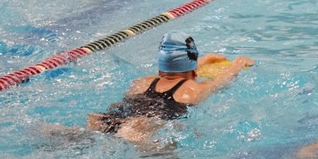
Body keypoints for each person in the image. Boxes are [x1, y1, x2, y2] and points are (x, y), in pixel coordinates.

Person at [82, 32, 254, 145]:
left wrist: (203, 60)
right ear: (194, 71)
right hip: (139, 131)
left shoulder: (142, 82)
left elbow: (173, 71)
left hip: (105, 121)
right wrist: (238, 65)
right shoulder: (192, 91)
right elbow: (221, 81)